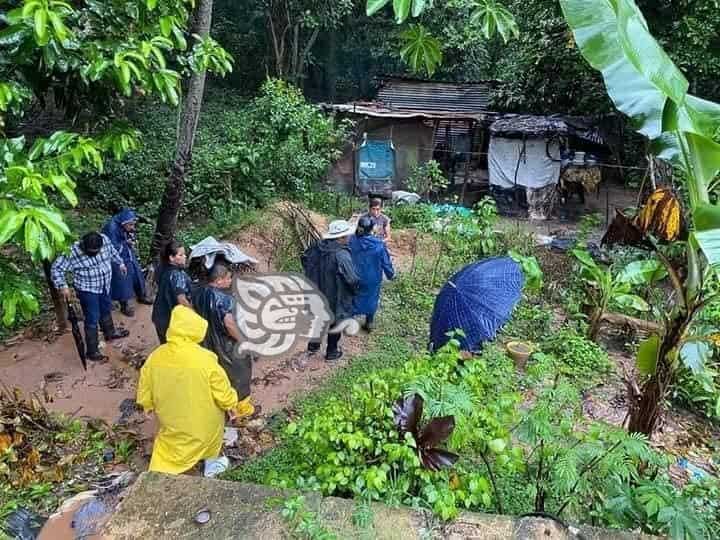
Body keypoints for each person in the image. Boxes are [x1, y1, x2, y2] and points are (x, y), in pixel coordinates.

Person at [137, 305, 239, 475]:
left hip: (172, 414)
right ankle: (212, 466)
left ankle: (159, 472)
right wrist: (231, 404)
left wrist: (146, 404)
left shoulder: (156, 356)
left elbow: (145, 382)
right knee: (211, 440)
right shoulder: (205, 359)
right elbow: (221, 388)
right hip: (205, 418)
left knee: (172, 445)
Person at [52, 232, 130, 362]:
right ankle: (92, 351)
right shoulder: (72, 250)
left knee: (106, 308)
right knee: (92, 318)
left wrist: (120, 263)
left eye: (97, 251)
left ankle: (110, 333)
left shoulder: (105, 239)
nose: (94, 254)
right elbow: (56, 269)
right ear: (83, 246)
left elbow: (113, 252)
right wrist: (63, 285)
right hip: (87, 289)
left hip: (105, 284)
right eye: (91, 252)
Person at [192, 263, 255, 420]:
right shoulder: (224, 299)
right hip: (226, 346)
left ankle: (222, 405)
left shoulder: (199, 292)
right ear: (219, 280)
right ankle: (241, 408)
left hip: (207, 342)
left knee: (219, 376)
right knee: (240, 374)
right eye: (228, 278)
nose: (230, 280)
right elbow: (230, 325)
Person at [301, 220, 359, 361]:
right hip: (335, 295)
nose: (349, 237)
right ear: (341, 237)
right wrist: (354, 290)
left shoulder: (316, 247)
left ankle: (313, 346)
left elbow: (304, 259)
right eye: (347, 235)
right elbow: (351, 279)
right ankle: (332, 352)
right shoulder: (341, 255)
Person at [349, 216, 395, 332]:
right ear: (371, 229)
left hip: (353, 276)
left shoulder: (350, 240)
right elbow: (386, 262)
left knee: (352, 297)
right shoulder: (379, 244)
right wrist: (391, 274)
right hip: (372, 278)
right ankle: (369, 323)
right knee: (372, 298)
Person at [102, 208, 151, 317]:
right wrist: (125, 243)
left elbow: (127, 234)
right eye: (131, 225)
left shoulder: (125, 222)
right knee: (122, 280)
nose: (133, 228)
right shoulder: (111, 228)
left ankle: (141, 296)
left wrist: (129, 240)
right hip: (117, 257)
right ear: (124, 223)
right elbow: (111, 248)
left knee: (137, 273)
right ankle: (124, 305)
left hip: (127, 252)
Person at [151, 241, 192, 344]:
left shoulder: (161, 268)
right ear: (171, 258)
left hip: (159, 315)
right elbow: (181, 299)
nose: (185, 257)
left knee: (165, 345)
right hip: (169, 319)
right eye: (181, 255)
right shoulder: (177, 275)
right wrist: (194, 312)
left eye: (184, 254)